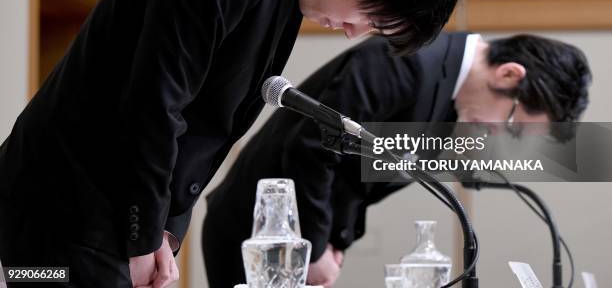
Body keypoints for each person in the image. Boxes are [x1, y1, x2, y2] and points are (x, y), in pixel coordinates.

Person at [0, 0, 467, 288]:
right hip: (65, 210)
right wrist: (141, 236)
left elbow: (207, 125)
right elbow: (155, 102)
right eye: (370, 18)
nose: (352, 32)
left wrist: (166, 229)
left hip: (112, 213)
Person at [202, 32, 592, 288]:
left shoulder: (454, 108)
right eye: (511, 126)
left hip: (309, 242)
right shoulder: (405, 58)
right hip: (256, 234)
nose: (497, 139)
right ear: (508, 74)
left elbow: (359, 178)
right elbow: (312, 148)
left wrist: (336, 241)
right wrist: (317, 248)